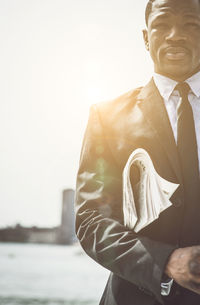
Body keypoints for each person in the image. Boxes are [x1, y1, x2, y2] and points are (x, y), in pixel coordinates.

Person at [75, 0, 200, 304]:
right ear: (146, 38)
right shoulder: (108, 117)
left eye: (190, 24)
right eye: (162, 24)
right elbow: (91, 220)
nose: (175, 35)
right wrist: (165, 261)